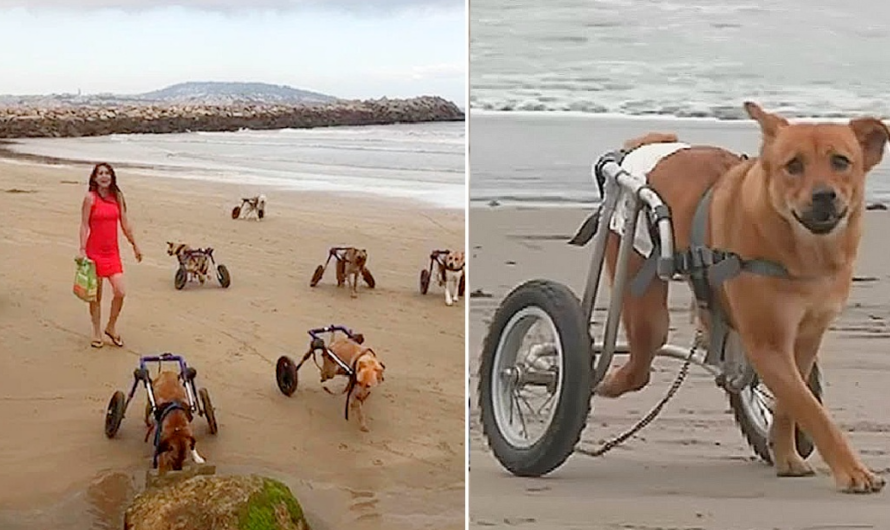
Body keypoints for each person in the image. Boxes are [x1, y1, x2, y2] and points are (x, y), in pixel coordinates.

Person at [77, 162, 143, 348]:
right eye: (100, 173)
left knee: (120, 291)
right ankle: (97, 332)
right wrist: (82, 249)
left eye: (107, 173)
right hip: (93, 253)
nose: (104, 176)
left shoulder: (117, 197)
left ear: (112, 177)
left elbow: (125, 223)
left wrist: (135, 245)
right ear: (95, 178)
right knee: (95, 296)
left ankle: (111, 327)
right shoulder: (90, 198)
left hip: (112, 253)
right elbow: (84, 225)